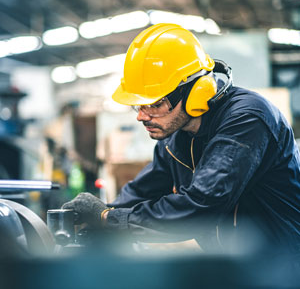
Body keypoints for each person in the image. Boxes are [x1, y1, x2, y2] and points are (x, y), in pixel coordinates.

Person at [63, 23, 300, 255]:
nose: (141, 116)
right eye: (138, 105)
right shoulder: (176, 138)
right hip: (234, 265)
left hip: (281, 267)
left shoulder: (247, 120)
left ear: (196, 92)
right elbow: (141, 193)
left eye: (155, 104)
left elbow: (202, 206)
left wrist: (108, 219)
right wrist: (96, 213)